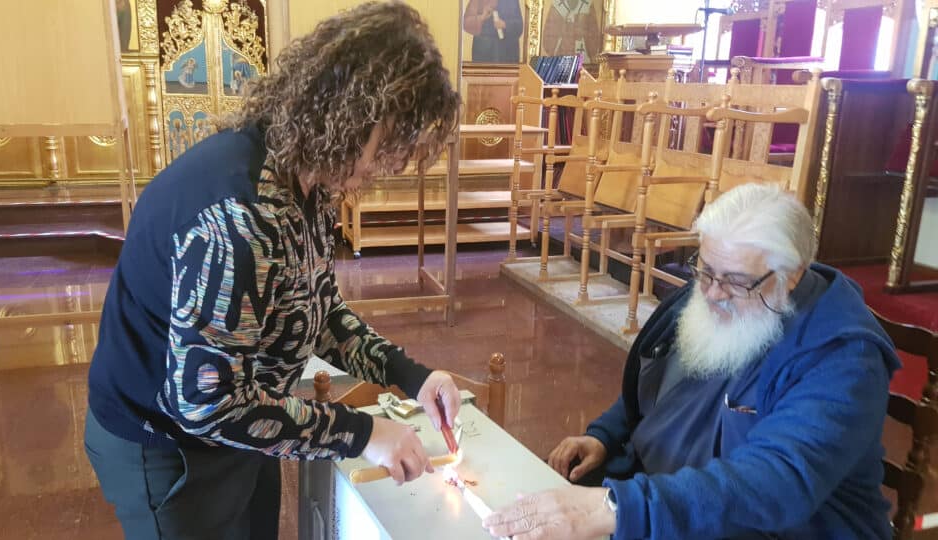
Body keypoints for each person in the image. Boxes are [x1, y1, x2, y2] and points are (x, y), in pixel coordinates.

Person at [85, 3, 462, 539]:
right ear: (353, 114)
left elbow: (320, 311)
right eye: (391, 145)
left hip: (247, 416)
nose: (388, 167)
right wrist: (363, 433)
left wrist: (412, 377)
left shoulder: (305, 179)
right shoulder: (239, 214)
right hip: (169, 446)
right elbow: (207, 404)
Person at [484, 183, 900, 539]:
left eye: (734, 281)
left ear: (791, 275)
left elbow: (774, 484)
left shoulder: (845, 358)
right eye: (704, 270)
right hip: (672, 497)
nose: (713, 293)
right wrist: (605, 437)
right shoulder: (716, 291)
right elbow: (660, 383)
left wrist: (613, 508)